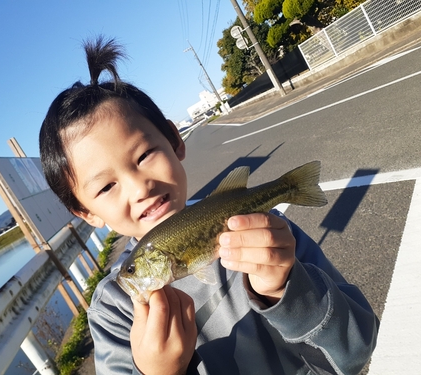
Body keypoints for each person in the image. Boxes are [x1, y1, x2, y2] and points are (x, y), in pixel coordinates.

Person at [39, 36, 379, 375]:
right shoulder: (112, 310)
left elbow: (356, 350)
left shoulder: (265, 231)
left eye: (144, 155)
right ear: (87, 213)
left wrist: (285, 290)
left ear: (174, 141)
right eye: (107, 186)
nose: (140, 186)